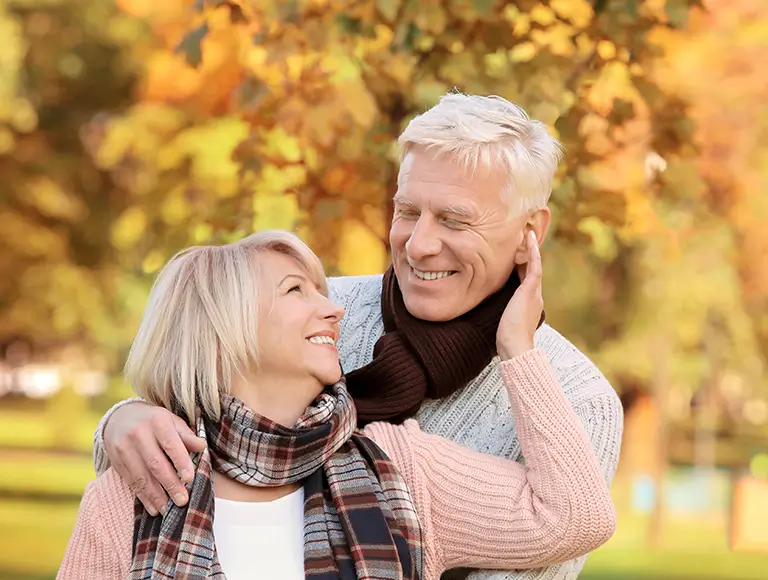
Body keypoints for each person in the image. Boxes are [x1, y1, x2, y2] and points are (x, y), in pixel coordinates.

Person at [88, 93, 624, 579]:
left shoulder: (577, 399)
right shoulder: (322, 317)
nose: (418, 245)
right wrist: (124, 418)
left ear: (531, 232)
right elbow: (201, 416)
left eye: (455, 221)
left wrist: (517, 353)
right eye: (407, 211)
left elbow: (565, 526)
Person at [58, 230, 615, 580]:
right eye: (295, 290)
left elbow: (575, 516)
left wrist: (517, 347)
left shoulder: (400, 467)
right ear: (222, 330)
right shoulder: (133, 498)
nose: (334, 309)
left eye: (320, 290)